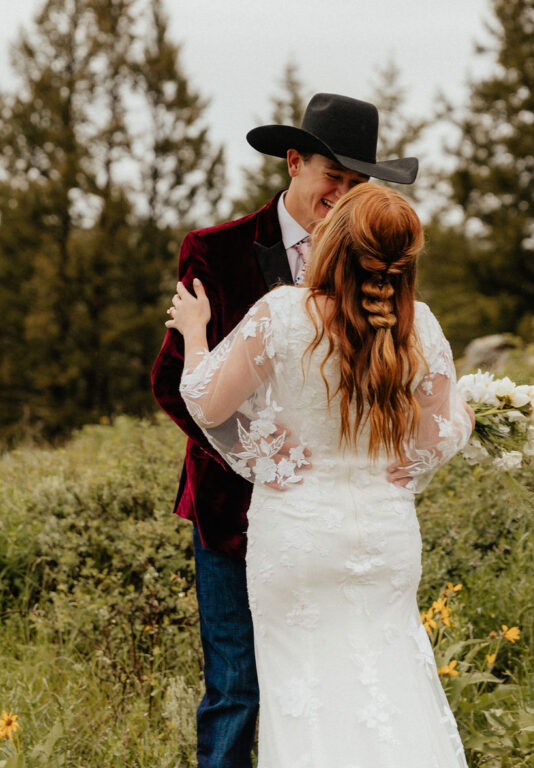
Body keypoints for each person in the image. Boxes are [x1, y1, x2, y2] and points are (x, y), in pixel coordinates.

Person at [166, 182, 475, 768]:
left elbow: (207, 403)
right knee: (396, 682)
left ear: (333, 243)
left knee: (303, 695)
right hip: (385, 538)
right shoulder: (422, 328)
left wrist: (197, 334)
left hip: (297, 536)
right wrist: (467, 413)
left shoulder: (283, 314)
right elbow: (433, 440)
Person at [151, 93, 418, 768]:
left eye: (359, 184)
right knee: (237, 689)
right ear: (293, 162)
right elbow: (172, 379)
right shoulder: (215, 250)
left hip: (331, 523)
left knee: (328, 685)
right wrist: (264, 455)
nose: (345, 195)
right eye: (334, 176)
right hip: (230, 513)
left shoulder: (370, 262)